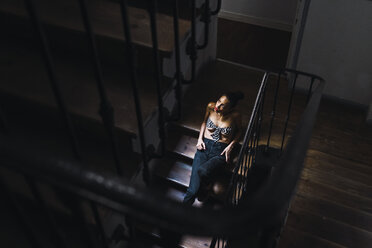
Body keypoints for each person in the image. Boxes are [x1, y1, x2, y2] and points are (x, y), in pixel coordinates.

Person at [183, 91, 244, 205]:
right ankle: (179, 215)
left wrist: (231, 146)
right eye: (219, 101)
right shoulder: (211, 106)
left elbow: (240, 131)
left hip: (220, 150)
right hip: (204, 146)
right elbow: (204, 122)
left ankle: (206, 186)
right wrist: (200, 139)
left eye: (223, 106)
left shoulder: (235, 115)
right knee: (192, 191)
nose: (218, 106)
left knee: (203, 171)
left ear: (230, 109)